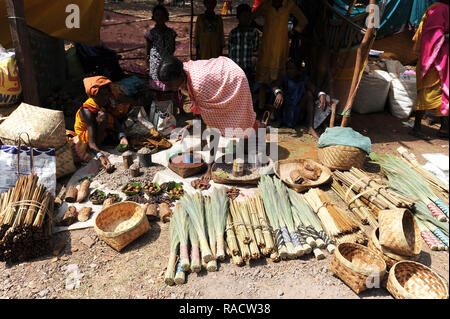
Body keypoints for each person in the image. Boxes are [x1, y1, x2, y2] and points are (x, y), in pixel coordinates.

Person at [158, 56, 259, 153]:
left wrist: (211, 160)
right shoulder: (184, 69)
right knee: (204, 113)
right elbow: (199, 110)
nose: (167, 87)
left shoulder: (198, 86)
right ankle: (203, 143)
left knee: (235, 115)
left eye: (169, 84)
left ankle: (249, 139)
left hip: (233, 77)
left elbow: (214, 123)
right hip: (220, 72)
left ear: (180, 76)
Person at [251, 0, 308, 111]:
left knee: (278, 79)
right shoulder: (266, 5)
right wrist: (263, 29)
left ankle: (274, 111)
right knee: (263, 79)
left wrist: (293, 32)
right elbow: (251, 17)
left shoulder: (289, 5)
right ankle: (261, 107)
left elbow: (303, 21)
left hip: (281, 47)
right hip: (267, 46)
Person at [74, 76, 129, 171]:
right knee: (103, 116)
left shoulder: (104, 102)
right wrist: (101, 156)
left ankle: (111, 139)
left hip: (100, 131)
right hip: (87, 139)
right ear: (93, 96)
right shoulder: (87, 111)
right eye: (102, 95)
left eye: (107, 94)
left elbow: (114, 119)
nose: (106, 97)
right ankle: (99, 147)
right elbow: (91, 143)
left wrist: (122, 136)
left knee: (114, 115)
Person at [411, 0, 449, 139]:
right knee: (427, 93)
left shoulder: (443, 8)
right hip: (433, 60)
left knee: (442, 93)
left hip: (443, 59)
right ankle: (416, 127)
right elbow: (432, 34)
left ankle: (444, 129)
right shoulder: (439, 9)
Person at [270, 59, 333, 138]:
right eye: (287, 69)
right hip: (285, 111)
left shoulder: (303, 79)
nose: (289, 71)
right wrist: (278, 93)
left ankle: (311, 127)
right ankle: (279, 120)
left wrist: (321, 94)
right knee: (278, 95)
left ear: (298, 70)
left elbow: (314, 89)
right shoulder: (284, 78)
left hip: (297, 112)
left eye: (292, 69)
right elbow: (274, 85)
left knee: (309, 95)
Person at [145, 4, 178, 92]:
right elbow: (148, 51)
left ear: (166, 17)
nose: (160, 17)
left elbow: (172, 48)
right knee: (156, 89)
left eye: (162, 15)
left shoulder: (171, 33)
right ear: (153, 17)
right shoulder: (151, 33)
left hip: (168, 63)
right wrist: (148, 63)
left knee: (167, 85)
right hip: (155, 64)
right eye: (157, 15)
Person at [228, 3, 260, 93]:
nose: (245, 18)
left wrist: (254, 63)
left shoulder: (253, 32)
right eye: (243, 16)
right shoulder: (233, 33)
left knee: (247, 92)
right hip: (235, 69)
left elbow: (256, 51)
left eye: (248, 16)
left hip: (248, 70)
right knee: (235, 92)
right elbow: (230, 52)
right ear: (238, 17)